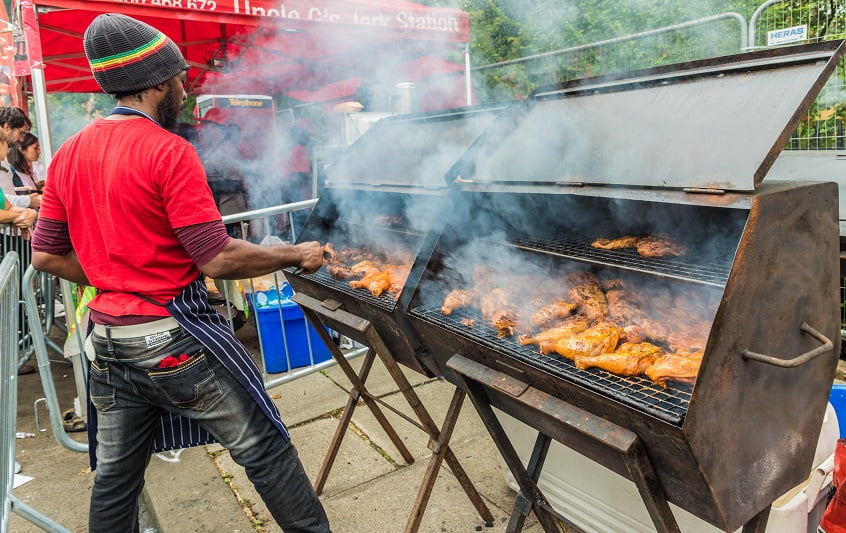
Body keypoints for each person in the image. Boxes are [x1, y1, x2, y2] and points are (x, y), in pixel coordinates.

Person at [31, 13, 330, 532]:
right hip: (174, 341)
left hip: (106, 341)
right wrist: (294, 253)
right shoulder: (170, 151)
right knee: (265, 451)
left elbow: (48, 256)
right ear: (157, 82)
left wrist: (115, 274)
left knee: (115, 481)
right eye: (180, 78)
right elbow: (215, 258)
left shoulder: (68, 154)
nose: (186, 89)